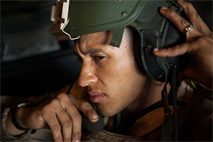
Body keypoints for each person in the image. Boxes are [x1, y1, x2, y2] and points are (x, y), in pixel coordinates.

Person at [1, 0, 213, 142]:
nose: (84, 79)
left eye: (99, 57)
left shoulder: (200, 118)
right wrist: (21, 118)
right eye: (79, 58)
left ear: (153, 53)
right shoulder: (78, 97)